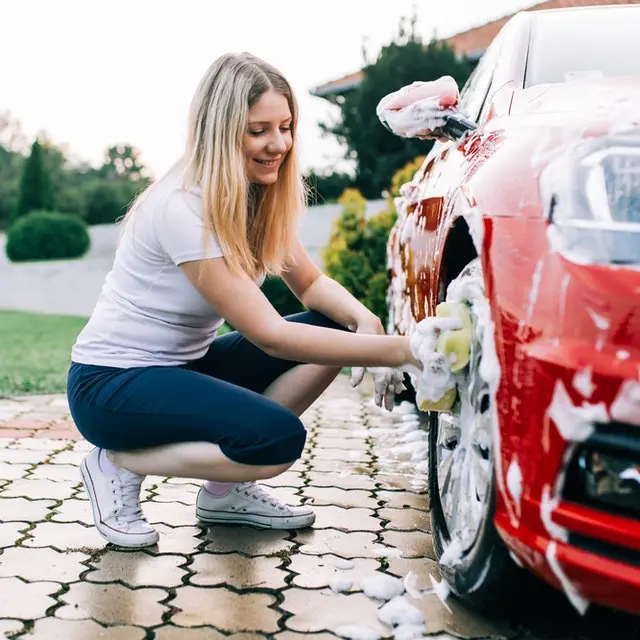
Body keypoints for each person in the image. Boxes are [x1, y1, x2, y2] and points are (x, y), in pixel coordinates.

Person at [66, 52, 421, 550]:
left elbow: (312, 284)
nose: (279, 144)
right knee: (275, 443)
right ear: (221, 130)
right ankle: (114, 461)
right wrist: (412, 350)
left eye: (286, 126)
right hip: (112, 384)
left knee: (333, 327)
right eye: (259, 130)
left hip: (188, 366)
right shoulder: (181, 206)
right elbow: (269, 335)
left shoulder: (256, 193)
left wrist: (368, 324)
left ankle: (224, 493)